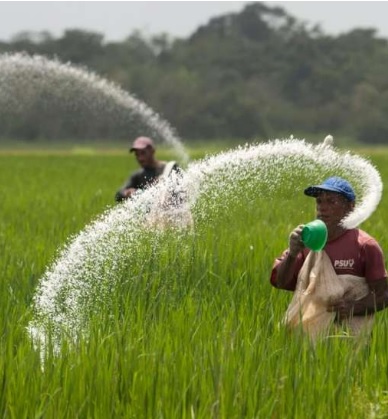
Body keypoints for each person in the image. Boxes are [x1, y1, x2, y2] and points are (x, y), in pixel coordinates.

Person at [270, 176, 388, 338]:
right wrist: (292, 253)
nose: (322, 208)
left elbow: (383, 295)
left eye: (331, 202)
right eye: (319, 201)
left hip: (350, 340)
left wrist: (353, 307)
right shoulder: (307, 242)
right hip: (307, 341)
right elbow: (281, 282)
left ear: (350, 208)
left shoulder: (365, 246)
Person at [115, 136, 180, 202]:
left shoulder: (169, 168)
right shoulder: (138, 175)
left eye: (143, 153)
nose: (140, 158)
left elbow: (181, 194)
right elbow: (118, 195)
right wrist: (127, 193)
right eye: (137, 155)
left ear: (152, 151)